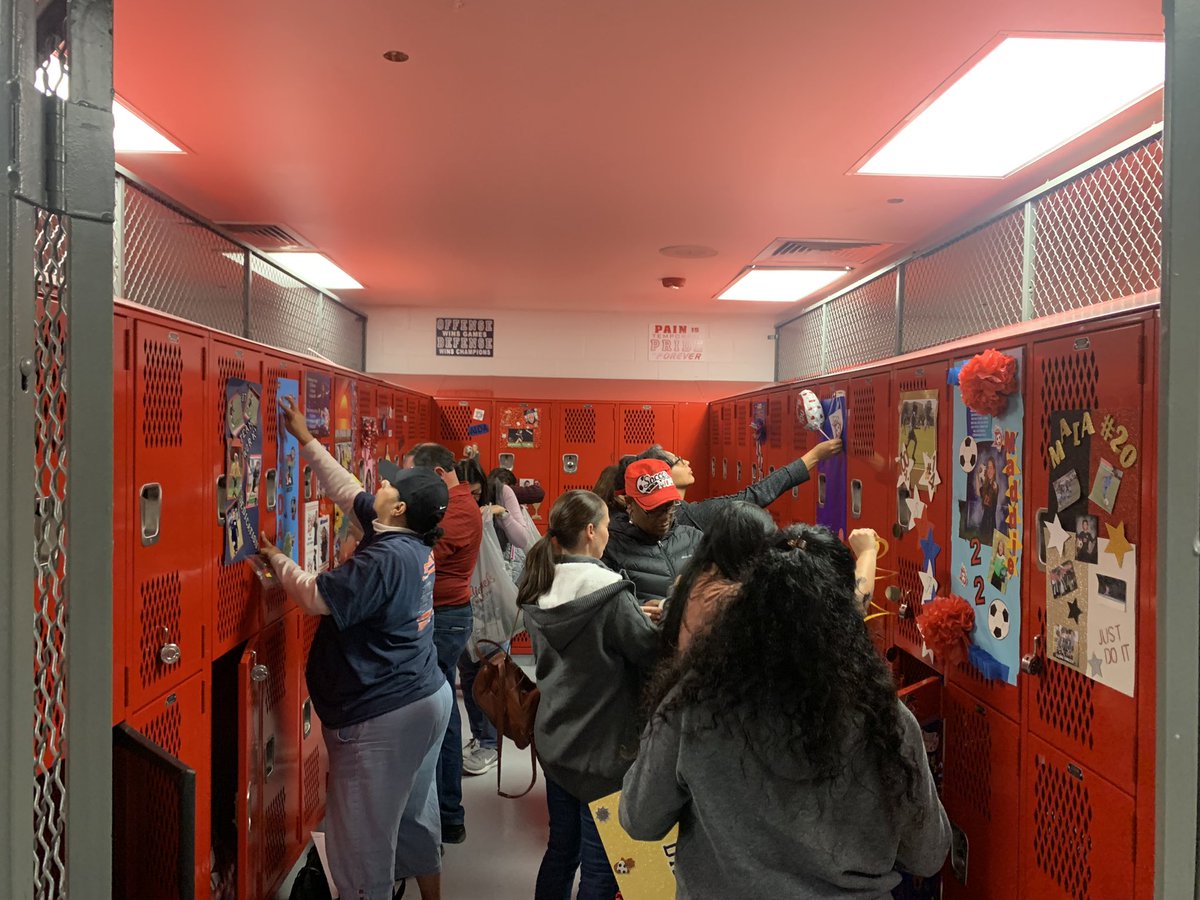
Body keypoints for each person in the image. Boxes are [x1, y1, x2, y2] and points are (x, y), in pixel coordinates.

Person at [621, 524, 950, 898]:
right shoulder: (885, 719)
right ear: (846, 614)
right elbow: (928, 855)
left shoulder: (696, 705)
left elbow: (639, 819)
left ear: (747, 605)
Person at [260, 398, 452, 900]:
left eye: (389, 485)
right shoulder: (407, 537)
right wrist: (305, 439)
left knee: (361, 847)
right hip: (423, 695)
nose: (379, 486)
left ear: (400, 507)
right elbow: (349, 493)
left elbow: (315, 597)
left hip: (384, 712)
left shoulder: (386, 559)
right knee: (410, 817)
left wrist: (276, 558)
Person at [518, 490, 659, 900]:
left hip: (556, 743)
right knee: (602, 870)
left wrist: (631, 613)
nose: (610, 535)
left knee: (561, 851)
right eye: (608, 527)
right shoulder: (611, 592)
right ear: (591, 531)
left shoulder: (538, 584)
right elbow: (648, 654)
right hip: (603, 754)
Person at [409, 442, 484, 845]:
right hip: (443, 616)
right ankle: (446, 813)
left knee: (440, 716)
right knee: (442, 713)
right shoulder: (451, 503)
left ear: (438, 475)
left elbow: (420, 555)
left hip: (445, 619)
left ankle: (447, 813)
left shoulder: (457, 509)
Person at [453, 459, 537, 778]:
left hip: (495, 599)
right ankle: (481, 737)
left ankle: (491, 742)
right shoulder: (454, 507)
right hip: (465, 599)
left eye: (475, 492)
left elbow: (522, 538)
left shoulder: (500, 497)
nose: (471, 499)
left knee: (492, 672)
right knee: (469, 671)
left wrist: (499, 512)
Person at [635, 438, 842, 533]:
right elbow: (756, 495)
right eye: (679, 460)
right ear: (664, 474)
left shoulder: (640, 518)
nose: (686, 462)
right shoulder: (693, 515)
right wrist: (814, 456)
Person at [601, 459, 704, 613]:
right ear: (629, 503)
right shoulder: (610, 548)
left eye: (669, 506)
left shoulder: (694, 538)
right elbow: (607, 606)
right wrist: (639, 610)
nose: (664, 517)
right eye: (654, 510)